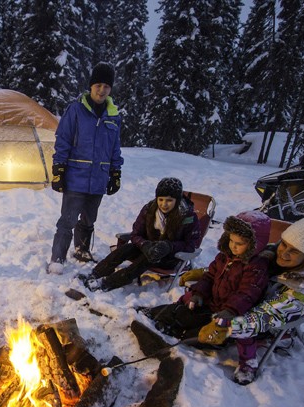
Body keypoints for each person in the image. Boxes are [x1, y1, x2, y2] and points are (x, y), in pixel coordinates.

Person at [197, 216, 304, 385]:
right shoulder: (268, 254)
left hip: (268, 324)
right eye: (284, 244)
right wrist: (204, 274)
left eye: (294, 251)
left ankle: (248, 364)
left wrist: (228, 326)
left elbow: (267, 316)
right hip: (245, 302)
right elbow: (237, 267)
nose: (284, 253)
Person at [148, 210, 272, 342]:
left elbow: (247, 294)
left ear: (255, 244)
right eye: (231, 240)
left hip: (228, 315)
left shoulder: (256, 267)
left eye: (239, 244)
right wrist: (199, 294)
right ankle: (151, 315)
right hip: (211, 304)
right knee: (180, 312)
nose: (233, 246)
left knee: (199, 335)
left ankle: (175, 334)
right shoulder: (224, 257)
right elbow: (209, 277)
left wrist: (230, 311)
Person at [47, 62, 123, 274]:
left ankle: (81, 250)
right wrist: (59, 170)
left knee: (89, 219)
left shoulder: (114, 115)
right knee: (67, 220)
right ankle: (57, 259)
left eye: (106, 86)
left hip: (98, 179)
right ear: (91, 86)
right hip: (76, 177)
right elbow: (63, 141)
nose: (102, 90)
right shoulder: (76, 110)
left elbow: (114, 147)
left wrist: (115, 172)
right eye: (98, 85)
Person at [81, 177, 202, 291]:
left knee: (149, 257)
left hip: (171, 257)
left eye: (169, 200)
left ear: (177, 200)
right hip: (147, 247)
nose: (164, 204)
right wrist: (144, 244)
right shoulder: (149, 209)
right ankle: (95, 273)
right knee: (126, 248)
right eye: (161, 199)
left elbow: (192, 244)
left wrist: (169, 246)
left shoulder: (188, 217)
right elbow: (136, 234)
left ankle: (107, 283)